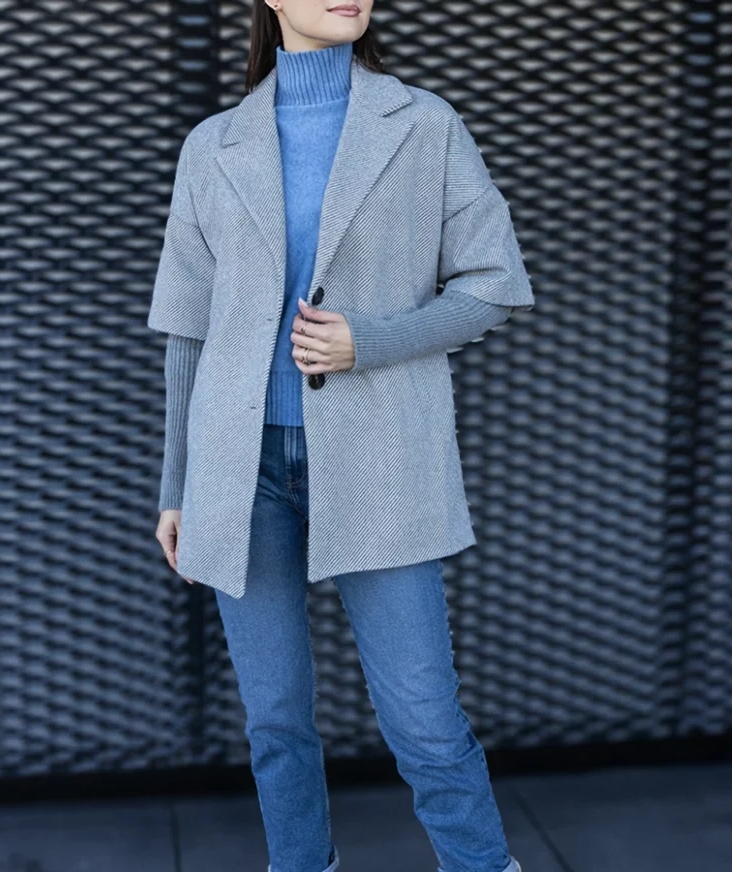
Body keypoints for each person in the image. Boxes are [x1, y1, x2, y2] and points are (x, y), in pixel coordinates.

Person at [150, 2, 532, 871]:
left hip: (380, 460)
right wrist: (177, 486)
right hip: (238, 470)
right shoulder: (212, 144)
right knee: (275, 722)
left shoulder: (423, 123)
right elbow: (188, 329)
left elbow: (492, 282)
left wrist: (372, 341)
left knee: (425, 721)